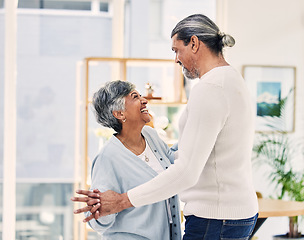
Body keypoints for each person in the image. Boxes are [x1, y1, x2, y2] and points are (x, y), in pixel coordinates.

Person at [73, 14, 259, 240]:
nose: (176, 59)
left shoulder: (210, 88)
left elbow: (185, 171)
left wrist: (122, 200)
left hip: (216, 217)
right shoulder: (231, 79)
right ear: (118, 113)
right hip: (231, 214)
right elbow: (191, 153)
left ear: (194, 43)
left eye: (176, 50)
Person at [71, 80, 182, 240]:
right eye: (135, 97)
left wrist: (195, 135)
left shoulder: (150, 135)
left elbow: (171, 160)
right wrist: (98, 209)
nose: (144, 100)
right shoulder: (108, 158)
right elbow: (98, 222)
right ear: (119, 113)